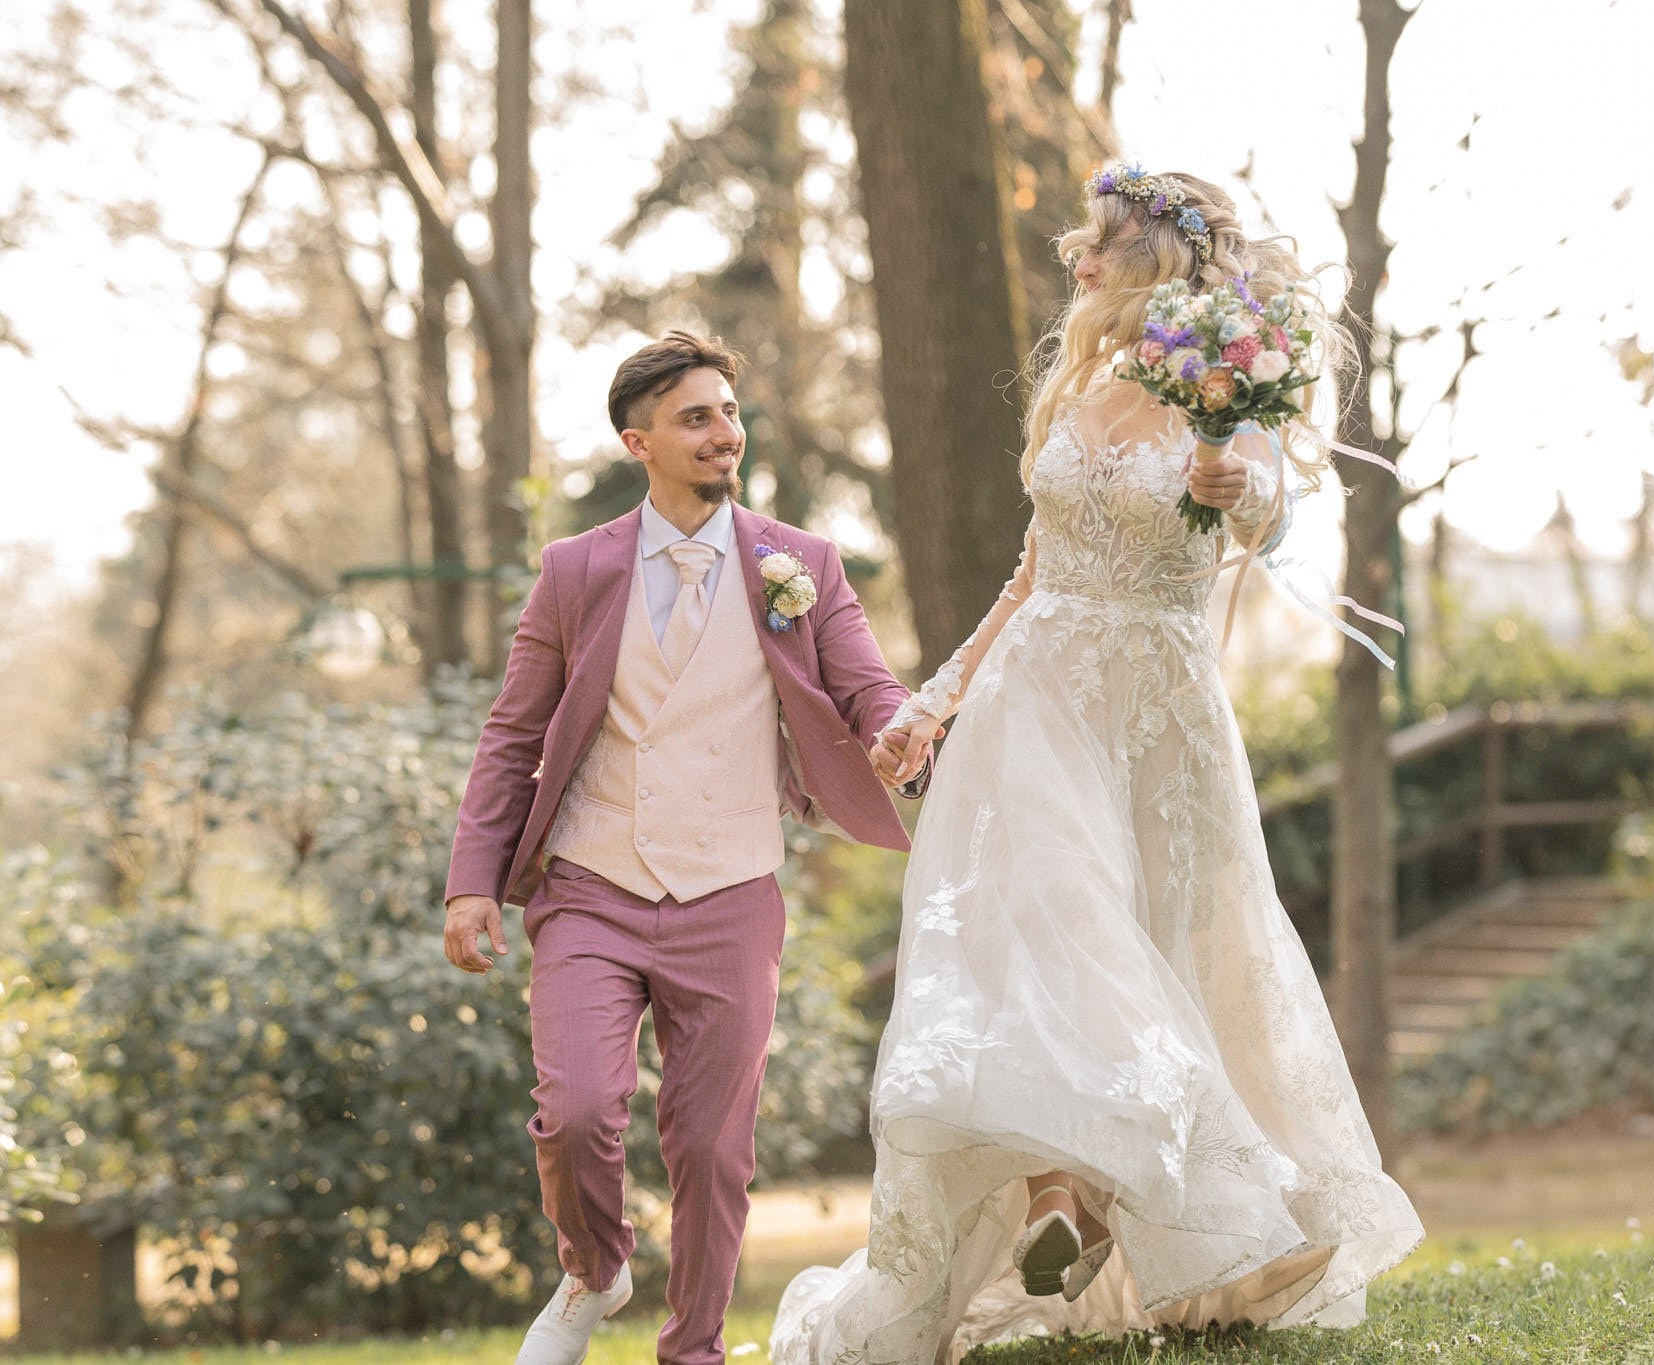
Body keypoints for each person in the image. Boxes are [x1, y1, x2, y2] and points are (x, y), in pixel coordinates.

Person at [771, 167, 1424, 1365]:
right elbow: (1032, 576)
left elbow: (1265, 511)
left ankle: (1181, 1227)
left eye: (1099, 242)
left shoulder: (1234, 387)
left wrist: (1244, 487)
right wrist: (934, 697)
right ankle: (1067, 1196)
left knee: (1176, 953)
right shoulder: (1075, 386)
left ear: (1162, 257)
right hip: (1035, 708)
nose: (1075, 261)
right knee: (1061, 936)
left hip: (1162, 721)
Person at [442, 330, 922, 1365]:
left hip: (730, 887)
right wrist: (470, 885)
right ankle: (595, 1266)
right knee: (573, 1113)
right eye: (695, 417)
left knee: (711, 1150)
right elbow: (513, 733)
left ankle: (694, 1349)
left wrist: (897, 728)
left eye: (728, 414)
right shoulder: (575, 572)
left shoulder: (802, 566)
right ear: (638, 440)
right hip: (590, 882)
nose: (722, 434)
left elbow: (864, 687)